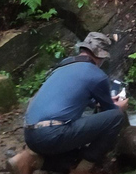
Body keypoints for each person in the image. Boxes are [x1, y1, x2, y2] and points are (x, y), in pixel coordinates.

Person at [7, 32, 128, 174]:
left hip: (30, 134)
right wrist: (119, 107)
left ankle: (27, 159)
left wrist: (97, 102)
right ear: (101, 56)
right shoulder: (97, 75)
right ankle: (84, 168)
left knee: (73, 153)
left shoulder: (63, 66)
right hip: (52, 135)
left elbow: (72, 96)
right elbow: (110, 111)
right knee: (116, 117)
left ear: (83, 49)